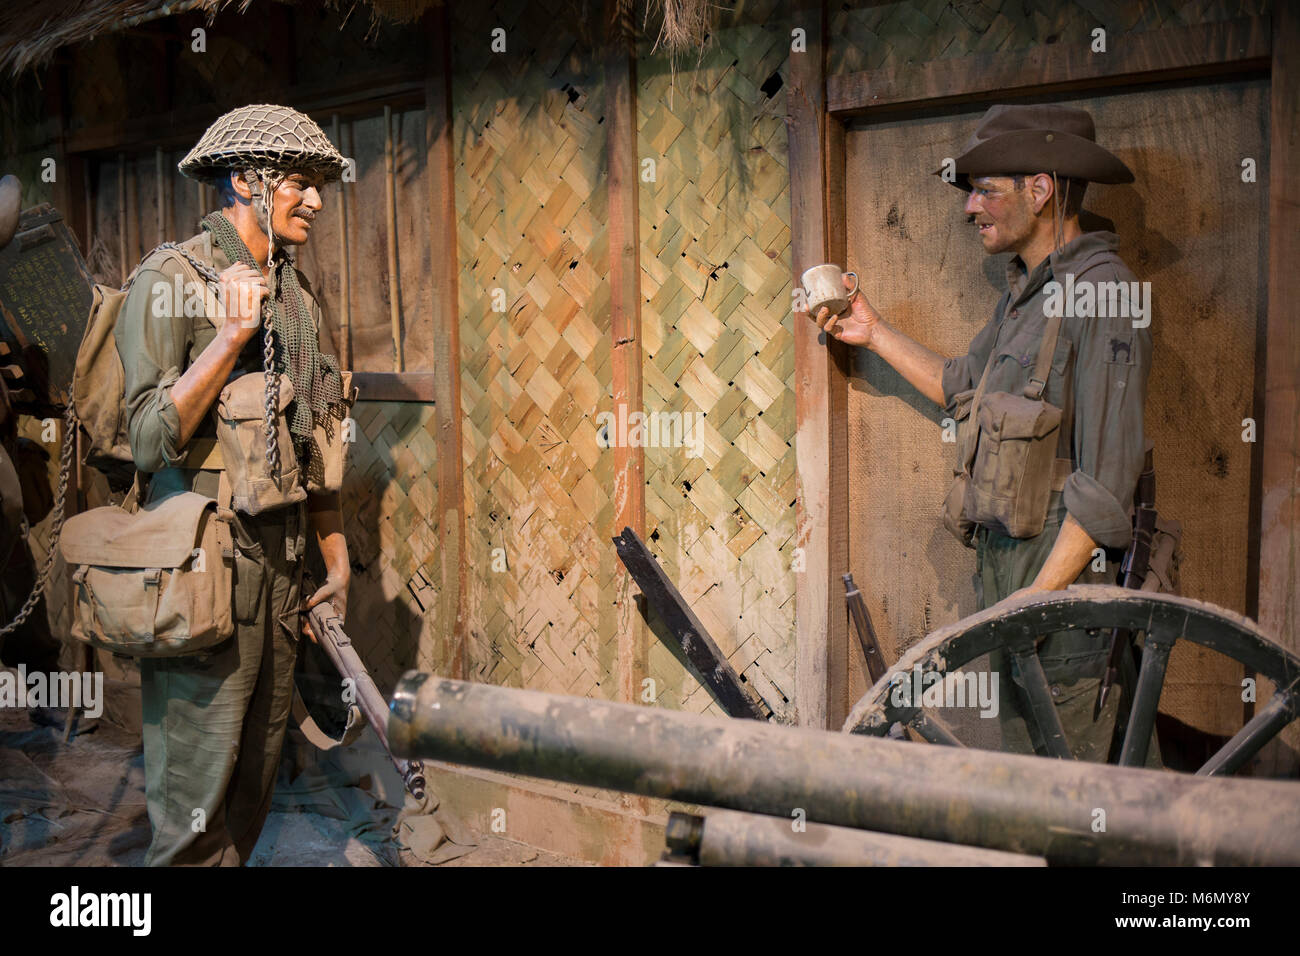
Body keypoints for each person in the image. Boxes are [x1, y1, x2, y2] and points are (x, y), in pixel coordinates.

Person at [813, 104, 1155, 762]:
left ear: (1041, 188)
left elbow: (1107, 485)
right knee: (1032, 792)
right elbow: (961, 384)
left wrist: (1036, 602)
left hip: (1066, 618)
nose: (971, 207)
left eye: (985, 190)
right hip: (1019, 604)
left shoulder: (1105, 294)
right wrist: (872, 330)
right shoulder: (1023, 298)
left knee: (1073, 803)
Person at [117, 104, 353, 864]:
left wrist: (336, 555)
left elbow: (312, 439)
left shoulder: (296, 298)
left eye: (320, 184)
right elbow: (150, 440)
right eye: (301, 182)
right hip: (203, 571)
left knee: (254, 786)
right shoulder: (171, 280)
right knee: (192, 805)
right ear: (246, 181)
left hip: (279, 575)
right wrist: (227, 338)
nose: (316, 199)